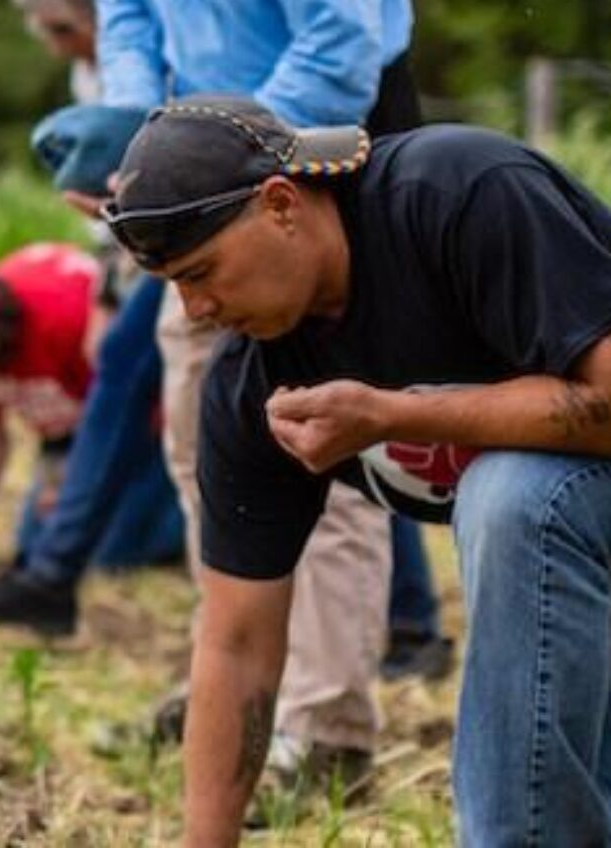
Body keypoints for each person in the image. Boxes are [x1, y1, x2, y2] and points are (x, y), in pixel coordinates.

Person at [2, 0, 422, 782]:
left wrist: (205, 165)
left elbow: (337, 51)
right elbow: (128, 5)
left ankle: (325, 732)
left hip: (307, 172)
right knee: (205, 442)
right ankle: (240, 687)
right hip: (196, 173)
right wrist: (132, 136)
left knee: (310, 442)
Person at [102, 96, 611, 845]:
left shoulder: (457, 195)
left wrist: (397, 416)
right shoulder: (253, 386)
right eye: (175, 285)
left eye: (202, 272)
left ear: (279, 205)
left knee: (514, 497)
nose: (198, 308)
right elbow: (236, 644)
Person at [0, 245, 182, 633]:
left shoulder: (66, 322)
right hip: (69, 435)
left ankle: (181, 524)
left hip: (147, 425)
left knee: (108, 552)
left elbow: (136, 406)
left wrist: (80, 482)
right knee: (35, 544)